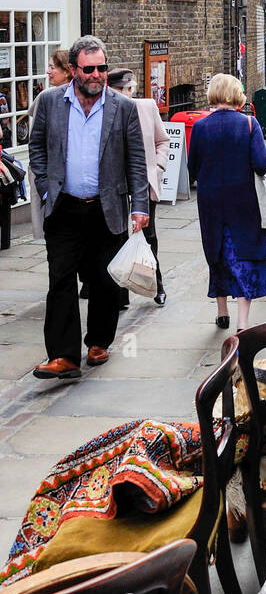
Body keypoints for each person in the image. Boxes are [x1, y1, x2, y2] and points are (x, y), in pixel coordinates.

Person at [28, 35, 149, 381]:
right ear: (73, 70)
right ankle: (64, 356)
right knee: (60, 279)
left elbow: (136, 161)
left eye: (102, 68)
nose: (97, 75)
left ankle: (98, 341)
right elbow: (36, 146)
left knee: (103, 281)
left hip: (105, 207)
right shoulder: (50, 102)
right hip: (63, 207)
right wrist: (45, 188)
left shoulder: (122, 107)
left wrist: (140, 206)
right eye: (89, 69)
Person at [188, 74, 266, 332]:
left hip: (211, 203)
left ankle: (222, 312)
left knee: (218, 254)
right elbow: (261, 163)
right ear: (236, 94)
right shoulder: (249, 124)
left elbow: (192, 168)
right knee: (243, 257)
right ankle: (243, 322)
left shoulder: (202, 127)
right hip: (244, 202)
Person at [107, 69, 170, 306]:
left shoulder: (145, 107)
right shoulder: (104, 111)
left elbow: (162, 140)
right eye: (119, 91)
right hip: (114, 186)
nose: (125, 95)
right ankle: (121, 293)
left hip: (143, 182)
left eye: (128, 90)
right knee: (117, 237)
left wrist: (159, 166)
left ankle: (156, 285)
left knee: (148, 235)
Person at [28, 48, 73, 242]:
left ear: (67, 71)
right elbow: (35, 141)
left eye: (52, 67)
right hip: (48, 174)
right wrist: (44, 186)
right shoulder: (46, 98)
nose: (48, 71)